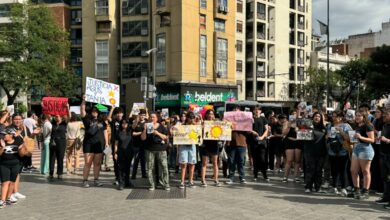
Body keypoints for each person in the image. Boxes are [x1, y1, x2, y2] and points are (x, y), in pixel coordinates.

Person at [80, 97, 108, 188]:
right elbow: (82, 109)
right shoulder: (87, 119)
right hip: (88, 144)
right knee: (87, 163)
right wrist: (84, 100)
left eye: (96, 111)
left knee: (97, 163)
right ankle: (85, 180)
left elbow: (105, 132)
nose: (94, 112)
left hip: (99, 145)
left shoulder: (102, 121)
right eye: (93, 111)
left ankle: (96, 180)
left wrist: (106, 143)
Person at [0, 127, 29, 208]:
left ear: (11, 135)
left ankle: (8, 198)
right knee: (5, 182)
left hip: (15, 165)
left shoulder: (18, 141)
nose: (3, 136)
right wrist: (2, 147)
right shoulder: (1, 142)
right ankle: (2, 200)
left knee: (12, 182)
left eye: (5, 134)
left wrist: (22, 147)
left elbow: (21, 155)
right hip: (3, 165)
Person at [141, 112, 170, 191]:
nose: (151, 118)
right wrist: (144, 129)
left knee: (164, 167)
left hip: (161, 149)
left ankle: (166, 184)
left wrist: (157, 133)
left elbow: (166, 137)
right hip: (150, 149)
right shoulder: (147, 126)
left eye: (153, 117)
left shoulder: (161, 126)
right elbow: (143, 138)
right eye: (150, 117)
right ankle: (152, 184)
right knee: (150, 168)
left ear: (157, 118)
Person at [326, 110, 352, 196]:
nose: (334, 118)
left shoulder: (346, 126)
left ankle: (344, 188)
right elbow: (326, 137)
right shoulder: (330, 125)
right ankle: (334, 187)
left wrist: (341, 131)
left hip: (343, 151)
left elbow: (351, 138)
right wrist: (328, 135)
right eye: (333, 116)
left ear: (341, 117)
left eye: (336, 116)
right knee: (334, 170)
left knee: (343, 170)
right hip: (332, 151)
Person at [226, 105, 254, 185]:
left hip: (242, 143)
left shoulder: (245, 120)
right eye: (234, 110)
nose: (235, 111)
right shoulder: (229, 120)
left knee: (241, 161)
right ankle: (231, 177)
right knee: (231, 161)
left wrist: (250, 123)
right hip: (231, 143)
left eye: (237, 110)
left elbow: (249, 132)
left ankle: (242, 177)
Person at [351, 110, 375, 200]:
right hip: (356, 148)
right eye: (356, 115)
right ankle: (356, 190)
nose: (357, 117)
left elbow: (372, 140)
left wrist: (360, 137)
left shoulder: (368, 125)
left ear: (364, 117)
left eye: (359, 116)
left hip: (365, 149)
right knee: (353, 170)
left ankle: (366, 191)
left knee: (365, 171)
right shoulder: (357, 126)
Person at [303, 112, 327, 193]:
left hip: (321, 152)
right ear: (313, 117)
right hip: (309, 151)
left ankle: (318, 187)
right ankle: (308, 187)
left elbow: (326, 139)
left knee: (319, 170)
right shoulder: (307, 126)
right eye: (315, 116)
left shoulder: (324, 128)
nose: (317, 118)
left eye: (319, 116)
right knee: (310, 170)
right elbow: (302, 136)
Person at [200, 110, 222, 187]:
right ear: (206, 115)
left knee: (215, 162)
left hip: (214, 144)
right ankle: (203, 180)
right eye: (209, 114)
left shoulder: (217, 123)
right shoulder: (203, 123)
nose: (210, 115)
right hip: (205, 144)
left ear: (214, 116)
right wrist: (202, 127)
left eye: (212, 114)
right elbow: (199, 133)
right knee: (204, 163)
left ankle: (216, 179)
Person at [177, 112, 198, 189]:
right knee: (184, 164)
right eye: (190, 117)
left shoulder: (195, 126)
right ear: (187, 118)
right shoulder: (181, 125)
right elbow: (175, 131)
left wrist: (195, 124)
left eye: (193, 117)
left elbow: (199, 133)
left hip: (192, 146)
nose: (191, 119)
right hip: (183, 146)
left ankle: (190, 181)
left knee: (192, 164)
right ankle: (182, 181)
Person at [282, 110, 302, 183]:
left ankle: (296, 177)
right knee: (289, 160)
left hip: (298, 141)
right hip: (289, 141)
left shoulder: (300, 122)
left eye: (295, 113)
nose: (294, 115)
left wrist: (299, 130)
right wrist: (288, 127)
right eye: (293, 114)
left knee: (297, 161)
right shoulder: (287, 122)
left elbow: (305, 133)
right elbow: (283, 133)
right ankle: (285, 177)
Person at [375, 108, 390, 209]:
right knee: (385, 178)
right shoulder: (385, 126)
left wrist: (387, 140)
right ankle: (386, 197)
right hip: (383, 154)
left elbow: (387, 140)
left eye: (386, 114)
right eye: (384, 114)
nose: (384, 116)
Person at [114, 119, 135, 190]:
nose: (124, 124)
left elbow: (135, 123)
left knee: (128, 168)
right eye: (123, 123)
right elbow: (116, 143)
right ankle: (121, 183)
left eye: (126, 123)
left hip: (129, 152)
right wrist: (115, 153)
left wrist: (138, 114)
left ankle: (127, 182)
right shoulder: (118, 132)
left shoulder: (130, 130)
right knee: (121, 168)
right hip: (120, 152)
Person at [251, 106, 270, 182]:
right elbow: (248, 128)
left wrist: (262, 137)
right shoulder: (251, 119)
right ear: (253, 111)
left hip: (262, 141)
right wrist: (253, 132)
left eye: (258, 110)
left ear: (260, 111)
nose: (256, 111)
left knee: (262, 159)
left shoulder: (263, 119)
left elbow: (266, 129)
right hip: (254, 141)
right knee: (255, 159)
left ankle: (265, 175)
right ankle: (255, 175)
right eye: (255, 110)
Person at [108, 107, 124, 183]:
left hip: (123, 144)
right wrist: (112, 108)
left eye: (120, 113)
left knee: (123, 161)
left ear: (122, 114)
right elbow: (108, 118)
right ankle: (117, 177)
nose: (119, 114)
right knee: (116, 161)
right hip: (115, 143)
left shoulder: (125, 121)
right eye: (118, 113)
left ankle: (123, 177)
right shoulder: (114, 121)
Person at [49, 115, 67, 180]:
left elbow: (69, 117)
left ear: (61, 117)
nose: (56, 118)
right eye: (55, 116)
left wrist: (67, 108)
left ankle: (60, 173)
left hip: (61, 142)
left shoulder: (64, 123)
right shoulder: (53, 123)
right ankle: (51, 173)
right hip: (53, 141)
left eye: (58, 116)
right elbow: (48, 116)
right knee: (52, 158)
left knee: (60, 158)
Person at [371, 108, 385, 193]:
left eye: (378, 112)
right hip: (375, 145)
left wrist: (374, 130)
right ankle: (374, 186)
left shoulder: (383, 122)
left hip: (381, 146)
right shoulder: (375, 121)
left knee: (380, 168)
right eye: (375, 112)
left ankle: (381, 188)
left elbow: (381, 133)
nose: (376, 113)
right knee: (375, 167)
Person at [131, 109, 148, 179]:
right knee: (136, 160)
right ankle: (133, 175)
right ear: (139, 115)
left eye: (144, 115)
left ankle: (144, 174)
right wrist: (141, 133)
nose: (142, 116)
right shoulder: (136, 122)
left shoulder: (147, 123)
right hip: (136, 145)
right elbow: (132, 132)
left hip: (144, 145)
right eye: (141, 115)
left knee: (143, 160)